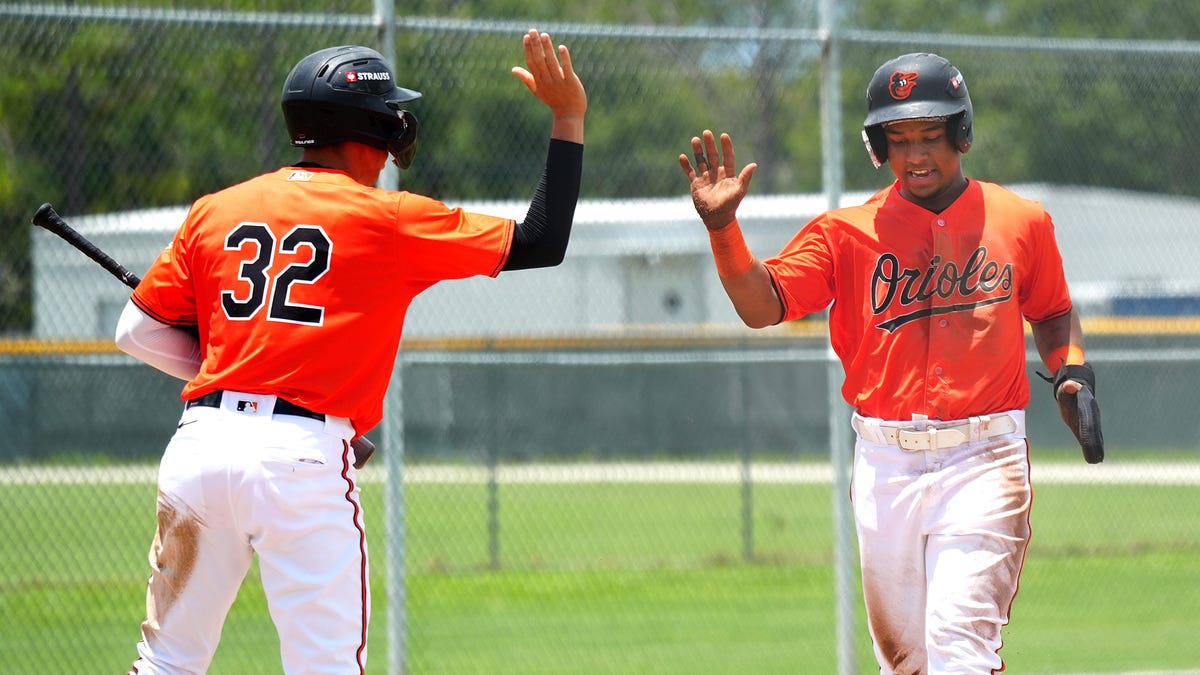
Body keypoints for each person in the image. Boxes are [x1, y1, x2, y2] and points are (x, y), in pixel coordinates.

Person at [113, 29, 586, 674]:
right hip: (300, 461)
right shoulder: (387, 217)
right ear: (373, 126)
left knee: (167, 661)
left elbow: (135, 332)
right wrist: (568, 117)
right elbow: (542, 239)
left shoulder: (215, 210)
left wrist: (240, 374)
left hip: (200, 448)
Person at [679, 52, 1102, 673]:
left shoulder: (1020, 221)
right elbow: (762, 304)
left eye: (930, 134)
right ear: (879, 147)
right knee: (905, 662)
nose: (916, 154)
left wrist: (1072, 371)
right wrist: (723, 231)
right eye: (898, 139)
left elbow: (1054, 311)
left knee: (960, 644)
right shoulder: (845, 233)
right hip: (886, 464)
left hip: (984, 457)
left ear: (961, 133)